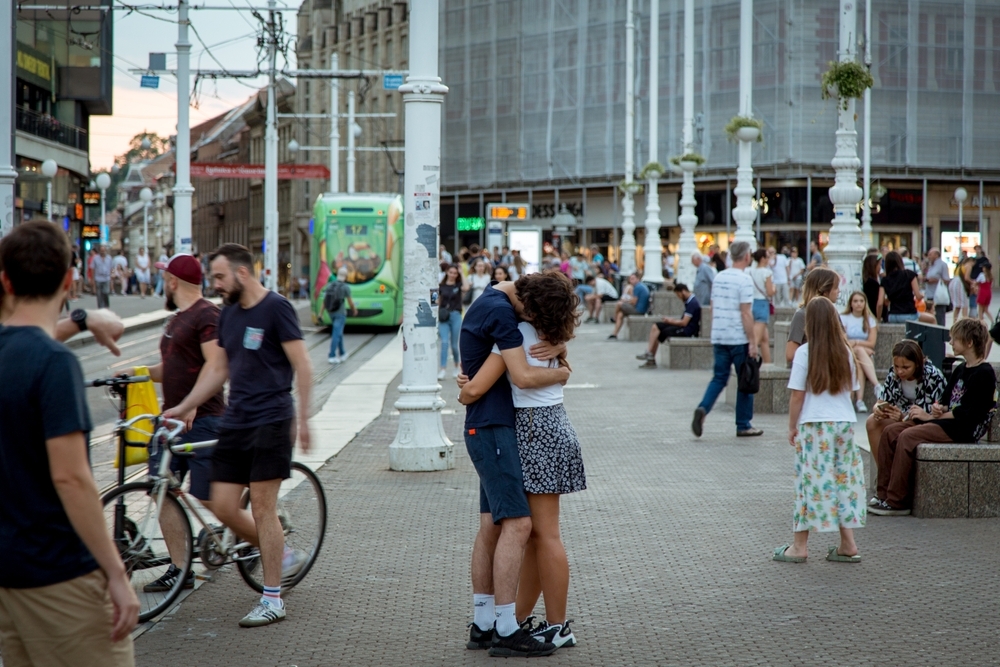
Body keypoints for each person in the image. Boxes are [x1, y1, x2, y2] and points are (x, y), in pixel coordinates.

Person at [0, 221, 139, 666]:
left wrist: (79, 321)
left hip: (9, 575)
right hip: (61, 572)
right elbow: (71, 478)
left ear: (5, 280)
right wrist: (116, 574)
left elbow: (22, 344)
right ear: (68, 280)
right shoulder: (55, 366)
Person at [164, 243, 312, 628]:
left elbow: (303, 364)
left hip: (271, 421)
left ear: (242, 273)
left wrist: (307, 419)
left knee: (262, 508)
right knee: (223, 504)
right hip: (236, 421)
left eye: (219, 276)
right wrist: (186, 405)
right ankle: (280, 549)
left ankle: (273, 598)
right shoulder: (228, 313)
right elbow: (219, 370)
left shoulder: (277, 308)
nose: (215, 284)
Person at [457, 272, 582, 651]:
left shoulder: (516, 328)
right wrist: (563, 365)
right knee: (532, 536)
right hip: (541, 429)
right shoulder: (538, 332)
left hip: (534, 432)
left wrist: (466, 390)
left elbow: (506, 381)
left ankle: (549, 625)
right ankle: (515, 619)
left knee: (539, 534)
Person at [138, 253, 227, 593]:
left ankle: (259, 528)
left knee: (211, 499)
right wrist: (137, 375)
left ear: (173, 281)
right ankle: (180, 568)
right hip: (172, 422)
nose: (163, 282)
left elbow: (215, 364)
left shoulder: (207, 314)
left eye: (165, 277)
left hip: (203, 420)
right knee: (161, 489)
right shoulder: (177, 320)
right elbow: (172, 369)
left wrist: (192, 404)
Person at [870, 319, 998, 516]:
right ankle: (883, 494)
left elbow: (968, 413)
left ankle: (897, 501)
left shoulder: (984, 373)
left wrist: (930, 417)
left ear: (969, 342)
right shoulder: (960, 369)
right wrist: (938, 409)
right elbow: (946, 401)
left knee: (907, 436)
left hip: (961, 428)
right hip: (945, 422)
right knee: (890, 431)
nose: (951, 342)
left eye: (955, 339)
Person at [773, 297, 865, 564]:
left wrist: (792, 426)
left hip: (815, 425)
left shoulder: (805, 352)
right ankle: (848, 544)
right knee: (841, 481)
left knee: (809, 482)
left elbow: (797, 396)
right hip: (844, 423)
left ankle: (799, 546)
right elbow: (850, 389)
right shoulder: (845, 351)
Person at [691, 241, 762, 438]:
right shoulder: (744, 279)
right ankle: (743, 424)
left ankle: (703, 409)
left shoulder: (719, 277)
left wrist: (716, 330)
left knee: (719, 378)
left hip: (720, 335)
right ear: (747, 256)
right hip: (738, 337)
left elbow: (713, 307)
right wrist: (753, 342)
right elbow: (746, 314)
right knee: (745, 379)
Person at [864, 340, 947, 470]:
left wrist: (903, 417)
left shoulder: (932, 376)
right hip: (902, 416)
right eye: (897, 366)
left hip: (925, 421)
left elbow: (930, 413)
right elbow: (881, 400)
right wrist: (878, 409)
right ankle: (884, 474)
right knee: (872, 421)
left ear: (917, 365)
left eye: (905, 367)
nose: (900, 371)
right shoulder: (893, 373)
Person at [637, 282, 701, 368]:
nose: (679, 298)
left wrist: (670, 321)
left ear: (683, 291)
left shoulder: (692, 303)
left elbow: (684, 323)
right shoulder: (689, 301)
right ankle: (649, 353)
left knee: (662, 332)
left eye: (678, 295)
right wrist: (671, 320)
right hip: (683, 327)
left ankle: (650, 357)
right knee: (656, 326)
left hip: (687, 331)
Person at [785, 267, 840, 364]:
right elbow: (790, 354)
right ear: (825, 291)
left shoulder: (833, 312)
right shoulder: (802, 315)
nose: (839, 291)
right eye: (836, 287)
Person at [840, 291, 879, 412]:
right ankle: (877, 385)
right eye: (855, 301)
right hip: (847, 352)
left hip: (864, 356)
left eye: (861, 301)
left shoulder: (870, 320)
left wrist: (856, 343)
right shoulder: (844, 318)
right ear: (851, 303)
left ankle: (859, 401)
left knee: (859, 363)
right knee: (858, 352)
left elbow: (872, 343)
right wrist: (862, 347)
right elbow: (844, 341)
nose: (858, 304)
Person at [880, 251, 935, 324]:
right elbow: (918, 296)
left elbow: (881, 303)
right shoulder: (909, 274)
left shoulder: (885, 279)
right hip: (909, 313)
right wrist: (922, 295)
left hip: (892, 315)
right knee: (932, 319)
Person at [438, 264, 468, 379]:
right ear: (447, 272)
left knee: (454, 345)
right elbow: (437, 301)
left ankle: (457, 366)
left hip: (456, 315)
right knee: (444, 342)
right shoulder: (441, 286)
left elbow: (466, 288)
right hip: (444, 316)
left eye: (455, 273)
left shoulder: (459, 285)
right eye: (451, 272)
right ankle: (443, 369)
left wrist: (461, 273)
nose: (452, 275)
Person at [747, 248, 775, 364]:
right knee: (755, 341)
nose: (769, 259)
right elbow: (769, 292)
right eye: (767, 257)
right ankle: (746, 366)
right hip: (762, 304)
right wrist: (774, 289)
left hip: (752, 303)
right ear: (763, 259)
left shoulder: (749, 271)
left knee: (764, 339)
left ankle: (767, 365)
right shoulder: (766, 272)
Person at [325, 267, 358, 365]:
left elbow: (325, 300)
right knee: (336, 334)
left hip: (331, 312)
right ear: (346, 276)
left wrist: (321, 313)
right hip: (340, 313)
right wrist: (354, 310)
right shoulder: (345, 287)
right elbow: (350, 302)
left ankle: (343, 353)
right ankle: (332, 355)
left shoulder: (330, 285)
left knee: (338, 332)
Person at [608, 272, 650, 339]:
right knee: (620, 314)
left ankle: (614, 318)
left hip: (639, 310)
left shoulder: (637, 287)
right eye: (630, 279)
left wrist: (625, 301)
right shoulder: (639, 286)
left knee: (619, 304)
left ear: (638, 279)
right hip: (640, 309)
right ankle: (614, 334)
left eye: (633, 279)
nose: (631, 280)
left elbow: (633, 302)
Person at [922, 248, 950, 325]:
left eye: (930, 254)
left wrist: (935, 280)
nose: (929, 256)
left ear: (936, 255)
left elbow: (946, 279)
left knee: (939, 317)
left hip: (938, 296)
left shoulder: (942, 265)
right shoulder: (930, 265)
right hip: (930, 294)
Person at [861, 253, 885, 322]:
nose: (880, 267)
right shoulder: (872, 283)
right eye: (879, 265)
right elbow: (876, 302)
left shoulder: (866, 281)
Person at [950, 256, 974, 324]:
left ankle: (954, 322)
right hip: (960, 284)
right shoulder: (969, 266)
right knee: (964, 303)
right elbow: (966, 278)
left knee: (957, 305)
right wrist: (973, 282)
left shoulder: (960, 266)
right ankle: (965, 321)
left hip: (954, 282)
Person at [92, 244, 114, 309]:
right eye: (101, 250)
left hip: (106, 278)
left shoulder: (109, 258)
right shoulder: (95, 258)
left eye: (104, 250)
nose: (102, 252)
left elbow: (111, 268)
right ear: (99, 251)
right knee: (99, 294)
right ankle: (100, 308)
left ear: (106, 251)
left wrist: (111, 275)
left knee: (106, 292)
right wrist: (92, 279)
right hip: (98, 278)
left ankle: (106, 306)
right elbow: (93, 269)